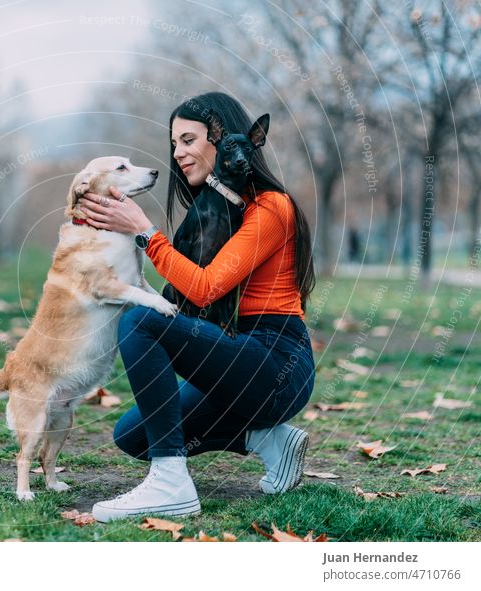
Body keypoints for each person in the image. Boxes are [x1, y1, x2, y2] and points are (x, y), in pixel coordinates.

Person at [76, 92, 317, 523]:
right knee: (133, 435)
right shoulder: (218, 211)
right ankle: (270, 442)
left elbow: (205, 289)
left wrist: (145, 233)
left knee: (140, 321)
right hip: (235, 356)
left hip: (277, 361)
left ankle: (170, 483)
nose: (178, 153)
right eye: (173, 143)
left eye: (188, 140)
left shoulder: (270, 208)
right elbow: (187, 297)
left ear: (221, 139)